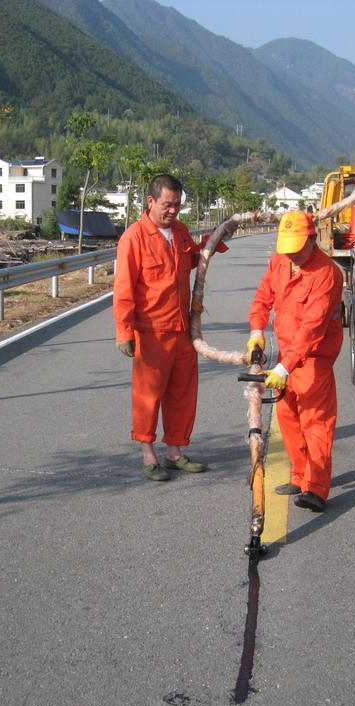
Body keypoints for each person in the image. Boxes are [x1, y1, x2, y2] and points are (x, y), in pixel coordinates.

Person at [113, 174, 219, 482]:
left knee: (182, 394)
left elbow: (194, 258)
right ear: (151, 201)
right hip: (152, 332)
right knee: (148, 396)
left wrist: (216, 239)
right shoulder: (134, 238)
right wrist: (124, 331)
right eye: (167, 205)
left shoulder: (180, 231)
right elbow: (123, 289)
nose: (173, 211)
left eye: (177, 205)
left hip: (183, 329)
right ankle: (149, 455)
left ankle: (175, 452)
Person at [246, 210, 343, 512]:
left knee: (315, 423)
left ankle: (315, 488)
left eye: (298, 249)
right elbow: (263, 297)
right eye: (288, 250)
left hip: (313, 356)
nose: (293, 256)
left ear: (313, 239)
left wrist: (285, 367)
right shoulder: (280, 261)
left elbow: (312, 327)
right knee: (288, 419)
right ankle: (300, 476)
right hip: (286, 354)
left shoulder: (326, 273)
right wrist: (257, 330)